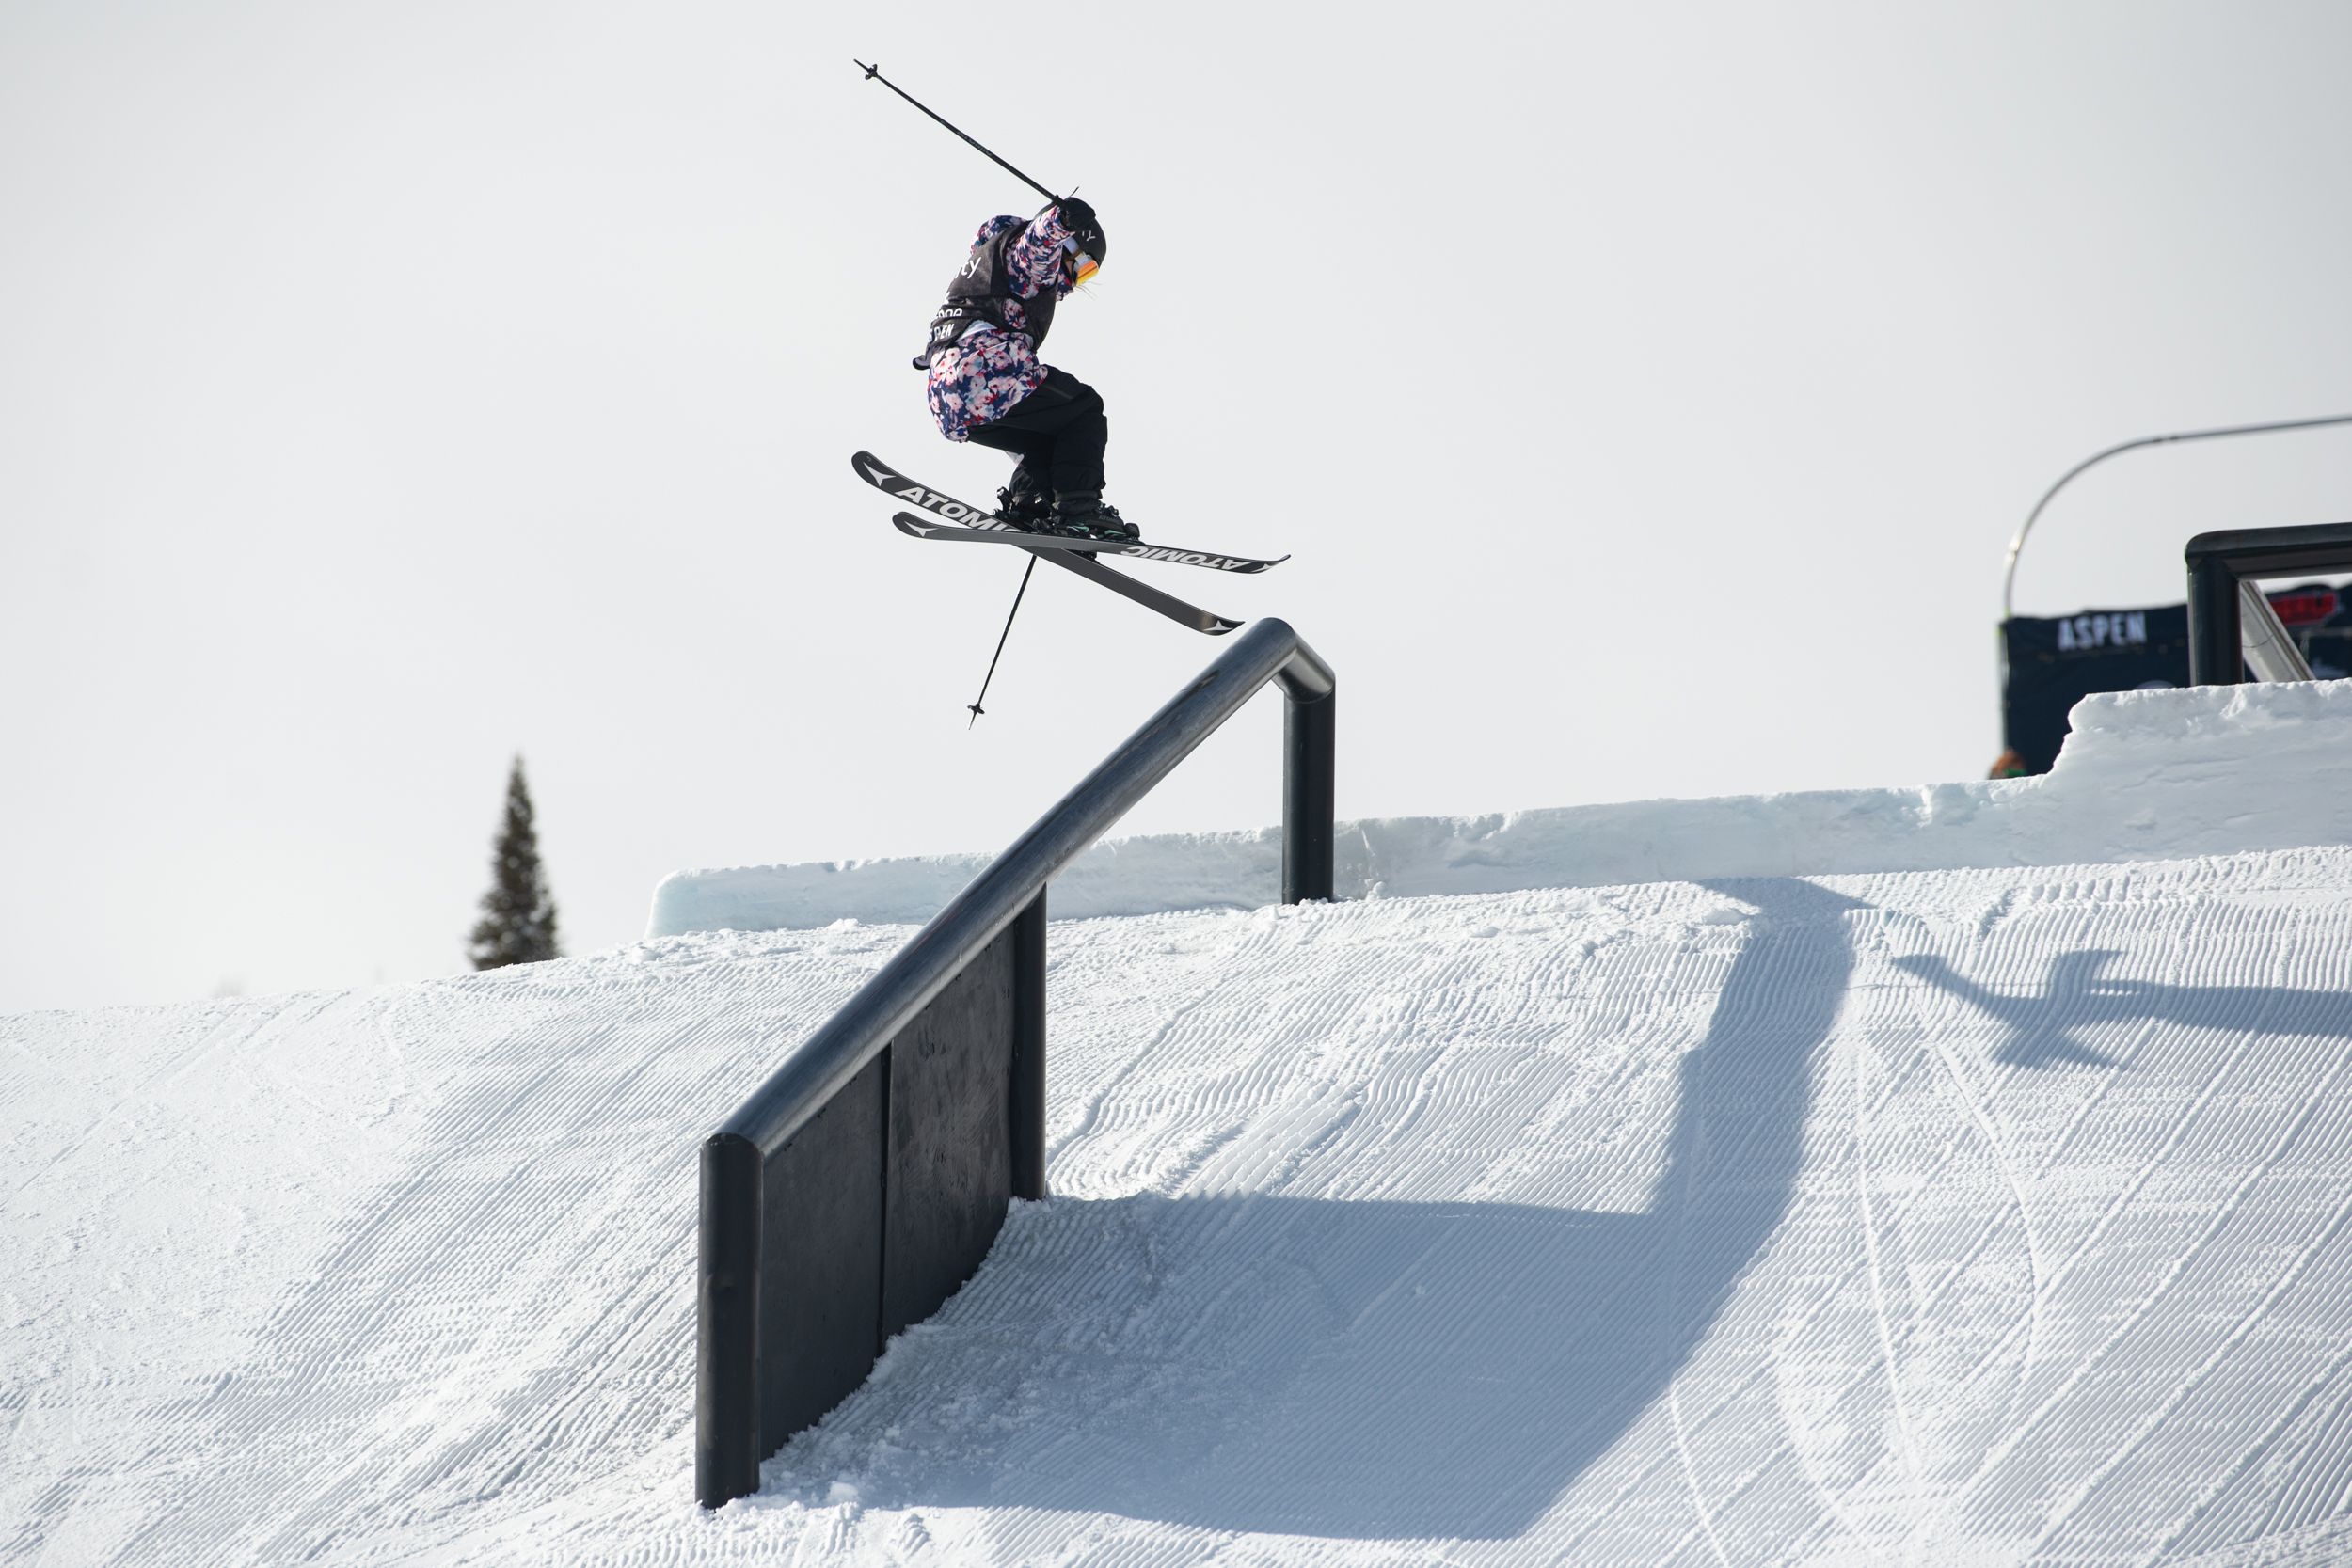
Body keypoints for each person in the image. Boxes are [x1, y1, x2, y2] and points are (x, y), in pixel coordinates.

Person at [913, 197, 1132, 542]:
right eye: (1084, 267)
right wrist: (1062, 219)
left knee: (1049, 434)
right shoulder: (1027, 262)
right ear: (1070, 250)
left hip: (948, 399)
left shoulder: (986, 266)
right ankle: (1078, 507)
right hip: (987, 370)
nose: (1075, 282)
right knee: (1085, 410)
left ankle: (1028, 503)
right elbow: (1039, 240)